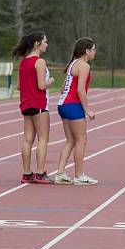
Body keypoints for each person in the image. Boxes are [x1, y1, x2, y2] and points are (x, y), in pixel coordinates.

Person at [54, 37, 97, 185]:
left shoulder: (73, 63)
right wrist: (87, 110)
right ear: (87, 51)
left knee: (70, 140)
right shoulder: (84, 66)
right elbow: (80, 90)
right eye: (93, 49)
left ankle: (60, 173)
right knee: (81, 140)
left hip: (63, 105)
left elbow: (62, 88)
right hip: (73, 105)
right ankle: (79, 175)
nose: (95, 52)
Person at [13, 32, 55, 184]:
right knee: (43, 138)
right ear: (37, 44)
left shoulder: (23, 62)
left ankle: (26, 173)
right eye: (45, 41)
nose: (46, 44)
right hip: (39, 103)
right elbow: (41, 85)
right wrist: (50, 81)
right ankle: (40, 173)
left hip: (25, 104)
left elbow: (18, 86)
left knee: (27, 139)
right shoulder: (40, 62)